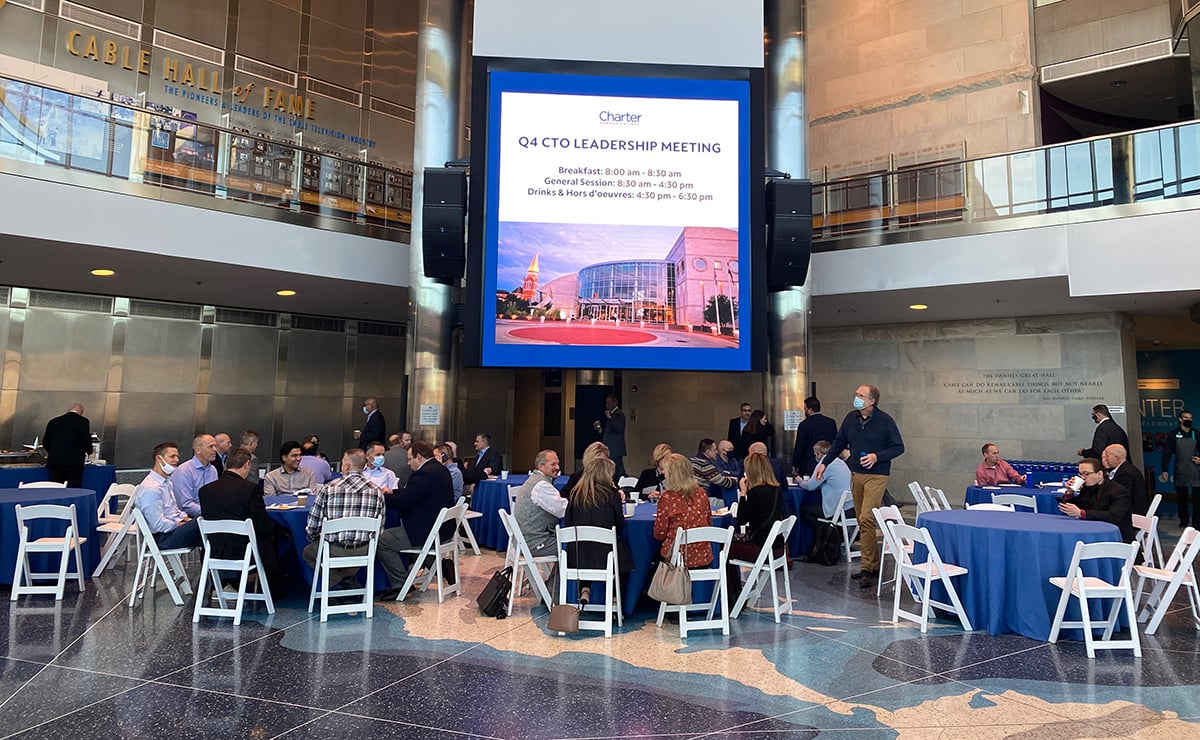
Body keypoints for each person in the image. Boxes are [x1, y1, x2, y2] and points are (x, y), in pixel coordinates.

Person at [814, 384, 905, 586]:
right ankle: (870, 566)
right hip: (856, 474)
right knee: (863, 521)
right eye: (856, 394)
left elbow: (899, 447)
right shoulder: (850, 419)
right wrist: (824, 463)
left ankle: (868, 566)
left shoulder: (885, 421)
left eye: (861, 395)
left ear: (872, 401)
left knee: (866, 517)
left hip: (877, 475)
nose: (856, 397)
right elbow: (838, 442)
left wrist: (876, 456)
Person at [198, 446, 283, 596]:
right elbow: (262, 526)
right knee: (275, 534)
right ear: (247, 464)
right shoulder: (250, 489)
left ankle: (223, 583)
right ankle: (274, 586)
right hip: (243, 551)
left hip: (214, 549)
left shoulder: (205, 490)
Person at [376, 441, 457, 599]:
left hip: (426, 530)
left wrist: (380, 497)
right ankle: (438, 564)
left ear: (419, 457)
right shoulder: (440, 469)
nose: (407, 463)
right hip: (443, 529)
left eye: (409, 459)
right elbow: (414, 492)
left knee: (382, 540)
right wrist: (392, 491)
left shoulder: (424, 474)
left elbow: (404, 501)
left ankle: (401, 583)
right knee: (408, 543)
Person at [303, 448, 385, 589]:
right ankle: (347, 579)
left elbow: (312, 525)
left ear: (346, 466)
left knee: (308, 554)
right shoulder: (377, 492)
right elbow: (380, 529)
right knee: (352, 562)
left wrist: (313, 537)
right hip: (365, 550)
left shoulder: (329, 489)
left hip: (334, 549)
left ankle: (336, 580)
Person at [563, 457, 632, 600]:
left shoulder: (574, 494)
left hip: (576, 555)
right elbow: (619, 525)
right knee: (624, 555)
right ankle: (614, 597)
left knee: (585, 546)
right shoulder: (612, 495)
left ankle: (585, 588)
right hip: (606, 556)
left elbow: (568, 524)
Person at [728, 452, 787, 600]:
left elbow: (741, 519)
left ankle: (731, 591)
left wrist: (743, 493)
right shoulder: (776, 489)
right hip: (777, 547)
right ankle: (735, 589)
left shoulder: (756, 492)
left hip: (760, 549)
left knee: (724, 549)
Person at [133, 441, 201, 549]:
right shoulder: (152, 488)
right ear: (159, 459)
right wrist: (179, 524)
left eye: (177, 456)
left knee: (207, 526)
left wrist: (185, 519)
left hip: (171, 531)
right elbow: (157, 524)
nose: (177, 460)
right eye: (172, 456)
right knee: (206, 523)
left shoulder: (167, 481)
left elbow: (173, 510)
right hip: (163, 538)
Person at [653, 453, 714, 569]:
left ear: (671, 475)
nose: (663, 474)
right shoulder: (701, 494)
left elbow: (659, 533)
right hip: (703, 556)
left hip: (677, 558)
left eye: (665, 471)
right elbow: (709, 522)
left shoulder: (667, 498)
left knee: (651, 561)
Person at [1060, 457, 1134, 542]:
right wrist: (1070, 492)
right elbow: (1077, 507)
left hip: (1115, 536)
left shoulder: (1118, 491)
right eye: (1080, 474)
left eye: (1086, 474)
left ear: (1099, 474)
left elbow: (1113, 516)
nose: (1083, 478)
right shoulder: (1088, 488)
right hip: (1091, 529)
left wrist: (1082, 513)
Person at [512, 450, 566, 557]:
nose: (557, 467)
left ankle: (557, 575)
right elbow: (563, 510)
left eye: (558, 464)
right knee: (574, 545)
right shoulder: (541, 486)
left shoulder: (533, 480)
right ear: (541, 466)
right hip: (535, 543)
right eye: (553, 464)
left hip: (523, 541)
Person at [798, 441, 853, 534]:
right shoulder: (840, 462)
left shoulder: (824, 464)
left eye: (815, 454)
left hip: (836, 510)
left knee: (803, 510)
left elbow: (810, 486)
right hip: (850, 508)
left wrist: (799, 481)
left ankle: (827, 533)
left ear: (819, 454)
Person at [1159, 409, 1199, 528]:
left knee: (1197, 499)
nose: (1189, 420)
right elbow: (1167, 453)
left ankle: (1197, 522)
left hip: (1196, 471)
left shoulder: (1196, 434)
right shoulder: (1173, 434)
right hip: (1180, 470)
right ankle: (1184, 520)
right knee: (1182, 499)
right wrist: (1165, 469)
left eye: (1190, 418)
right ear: (1180, 419)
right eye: (1186, 417)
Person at [42, 403, 92, 489]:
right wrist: (90, 452)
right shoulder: (82, 421)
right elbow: (85, 439)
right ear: (81, 412)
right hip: (74, 463)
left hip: (55, 462)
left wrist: (54, 452)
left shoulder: (53, 421)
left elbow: (45, 442)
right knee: (73, 488)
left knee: (56, 488)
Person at [170, 434, 219, 517]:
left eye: (215, 446)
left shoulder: (213, 470)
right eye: (210, 446)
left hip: (210, 515)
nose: (215, 450)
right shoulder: (184, 470)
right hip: (189, 518)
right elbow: (185, 505)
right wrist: (210, 512)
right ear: (198, 450)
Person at [792, 397, 837, 478]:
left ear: (810, 409)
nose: (804, 410)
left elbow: (799, 447)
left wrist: (795, 464)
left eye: (805, 408)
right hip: (828, 463)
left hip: (808, 465)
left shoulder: (804, 425)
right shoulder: (831, 422)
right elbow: (836, 443)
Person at [1103, 443, 1148, 516]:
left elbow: (1123, 496)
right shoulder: (1124, 469)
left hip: (1129, 515)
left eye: (1107, 456)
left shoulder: (1125, 473)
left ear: (1116, 457)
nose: (1104, 459)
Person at [593, 394, 628, 477]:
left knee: (618, 470)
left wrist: (610, 418)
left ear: (615, 402)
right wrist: (600, 429)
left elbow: (619, 428)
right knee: (615, 469)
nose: (607, 405)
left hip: (615, 448)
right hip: (609, 447)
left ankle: (625, 483)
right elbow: (609, 431)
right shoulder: (611, 415)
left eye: (609, 403)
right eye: (606, 403)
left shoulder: (619, 414)